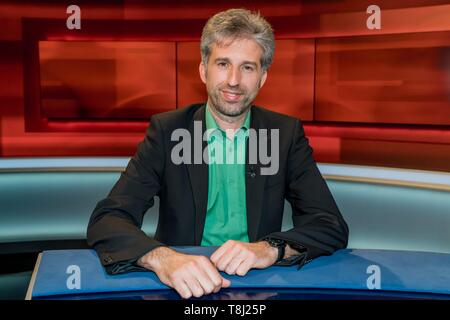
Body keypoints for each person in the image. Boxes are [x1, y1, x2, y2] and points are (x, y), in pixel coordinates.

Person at [87, 8, 349, 299]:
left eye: (248, 67)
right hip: (181, 287)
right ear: (203, 70)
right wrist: (163, 258)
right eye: (223, 64)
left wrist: (269, 249)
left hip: (257, 287)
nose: (234, 81)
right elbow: (108, 219)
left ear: (262, 77)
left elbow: (330, 225)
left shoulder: (284, 135)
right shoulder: (168, 132)